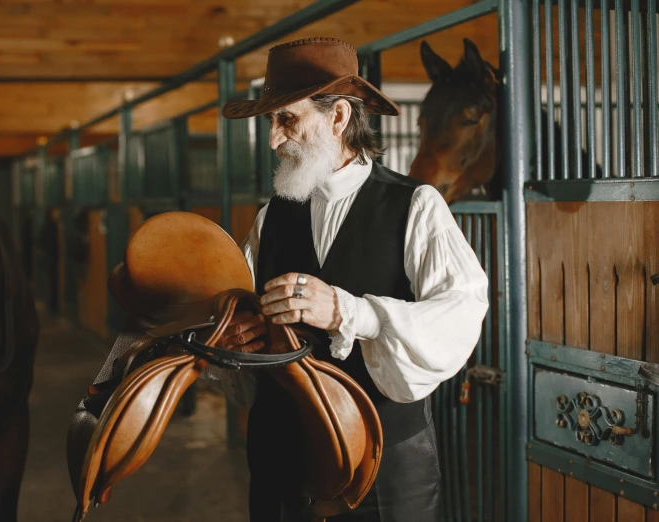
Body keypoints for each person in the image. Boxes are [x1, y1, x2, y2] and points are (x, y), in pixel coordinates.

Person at [204, 37, 489, 522]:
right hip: (280, 468)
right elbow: (241, 314)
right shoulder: (270, 217)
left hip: (385, 469)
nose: (273, 139)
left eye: (286, 119)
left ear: (338, 117)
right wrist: (235, 339)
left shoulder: (416, 206)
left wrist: (349, 312)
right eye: (270, 122)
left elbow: (461, 312)